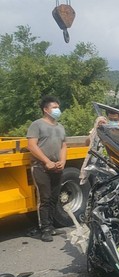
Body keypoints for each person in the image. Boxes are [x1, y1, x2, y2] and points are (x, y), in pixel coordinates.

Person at [26, 96, 67, 242]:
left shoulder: (60, 127)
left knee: (54, 198)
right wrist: (47, 161)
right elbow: (31, 145)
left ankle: (51, 226)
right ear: (45, 109)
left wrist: (62, 161)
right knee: (45, 198)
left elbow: (63, 145)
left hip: (56, 167)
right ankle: (44, 229)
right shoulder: (37, 125)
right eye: (54, 107)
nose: (57, 110)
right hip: (41, 167)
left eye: (58, 107)